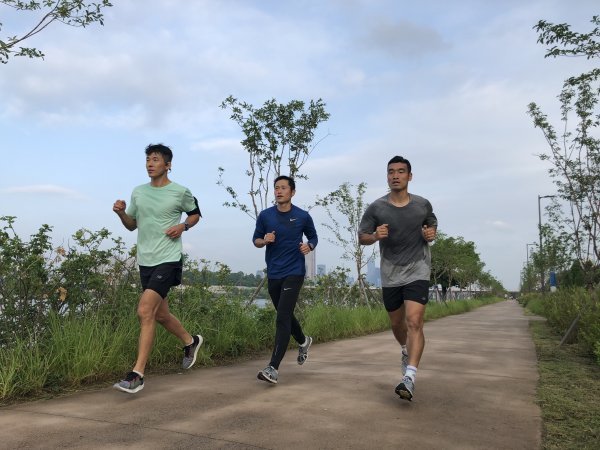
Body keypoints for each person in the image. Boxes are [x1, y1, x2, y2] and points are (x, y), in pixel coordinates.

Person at [112, 143, 203, 393]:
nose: (150, 164)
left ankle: (137, 374)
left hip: (168, 258)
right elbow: (132, 224)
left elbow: (195, 214)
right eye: (148, 160)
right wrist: (121, 213)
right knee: (161, 315)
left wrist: (183, 226)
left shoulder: (180, 192)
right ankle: (190, 341)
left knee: (145, 310)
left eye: (155, 159)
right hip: (146, 260)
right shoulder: (139, 192)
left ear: (168, 164)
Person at [358, 156, 437, 401]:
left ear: (409, 176)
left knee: (414, 321)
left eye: (401, 171)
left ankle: (409, 377)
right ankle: (405, 350)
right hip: (391, 272)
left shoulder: (422, 204)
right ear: (387, 176)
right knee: (397, 324)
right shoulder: (377, 208)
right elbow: (362, 237)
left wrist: (431, 233)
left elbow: (431, 223)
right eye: (391, 171)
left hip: (418, 270)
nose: (395, 175)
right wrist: (375, 236)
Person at [252, 175, 318, 384]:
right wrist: (265, 240)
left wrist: (309, 246)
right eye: (276, 188)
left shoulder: (302, 216)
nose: (279, 191)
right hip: (274, 273)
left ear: (292, 192)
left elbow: (313, 237)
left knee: (282, 317)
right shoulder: (265, 216)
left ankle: (273, 368)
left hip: (294, 271)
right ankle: (303, 341)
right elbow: (255, 240)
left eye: (283, 188)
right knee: (285, 314)